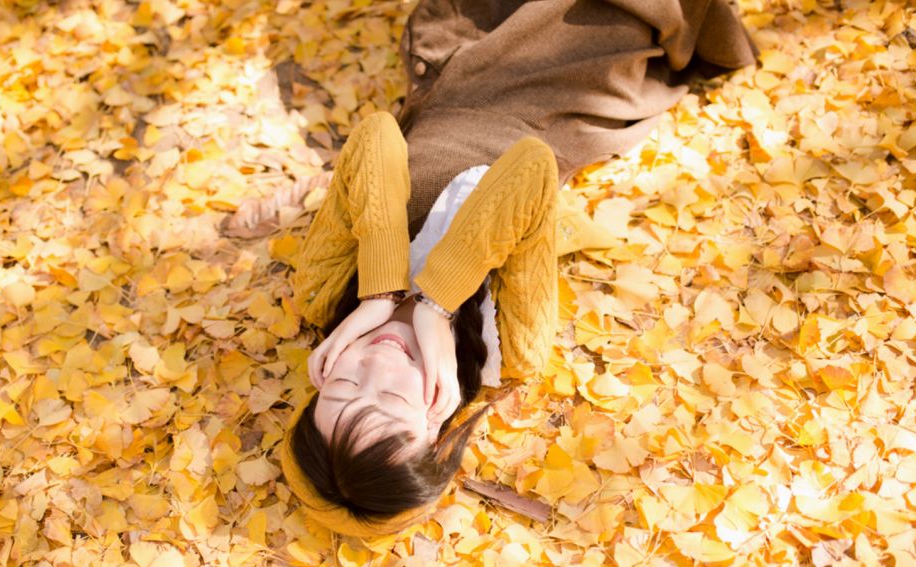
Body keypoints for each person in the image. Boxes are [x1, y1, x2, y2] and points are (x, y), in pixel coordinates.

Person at [279, 0, 758, 537]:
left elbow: (378, 137)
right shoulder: (508, 349)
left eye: (342, 385)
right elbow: (531, 168)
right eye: (392, 399)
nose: (374, 366)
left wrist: (380, 293)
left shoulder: (326, 294)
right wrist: (436, 307)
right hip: (556, 95)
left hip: (463, 81)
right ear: (435, 419)